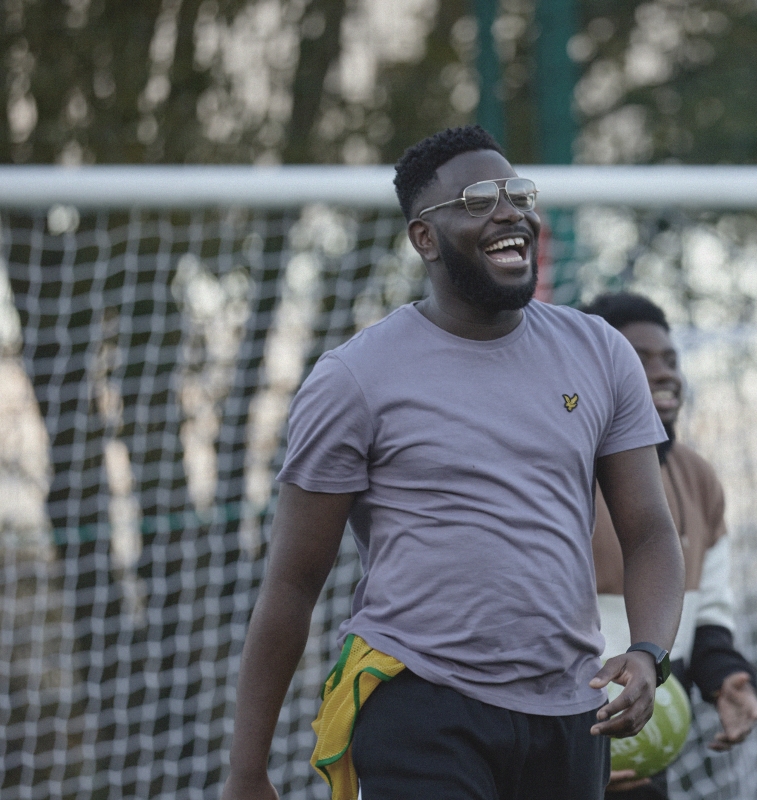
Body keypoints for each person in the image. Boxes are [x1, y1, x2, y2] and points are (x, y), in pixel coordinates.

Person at [220, 127, 685, 800]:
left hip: (568, 712)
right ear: (424, 238)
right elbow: (293, 583)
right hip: (419, 702)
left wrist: (647, 652)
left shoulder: (600, 353)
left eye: (516, 193)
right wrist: (246, 770)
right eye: (475, 199)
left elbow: (649, 533)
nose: (508, 212)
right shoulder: (355, 378)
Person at [582, 292, 757, 800]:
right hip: (563, 730)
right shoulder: (561, 470)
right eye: (639, 359)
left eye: (670, 360)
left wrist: (727, 679)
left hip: (645, 735)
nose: (665, 373)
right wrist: (572, 742)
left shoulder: (698, 477)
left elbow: (706, 619)